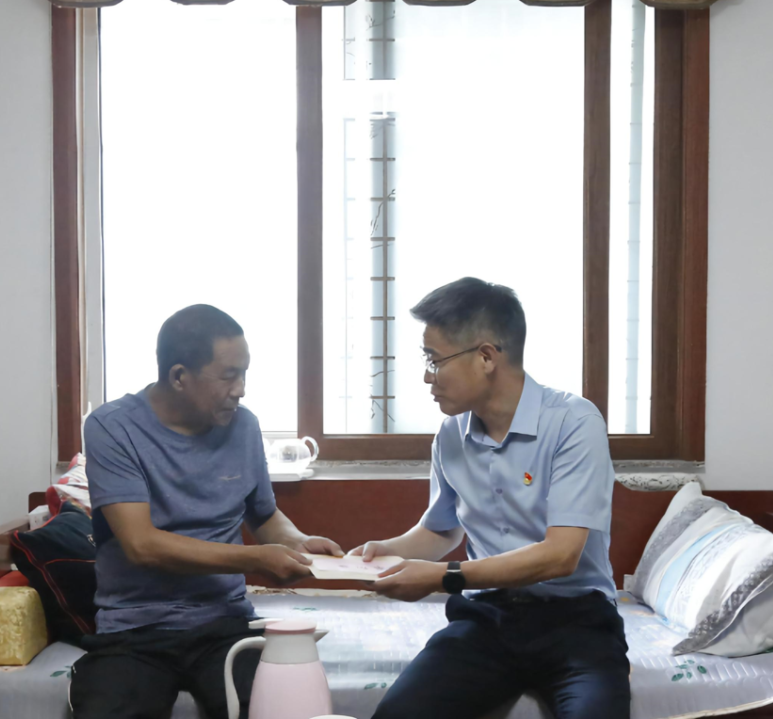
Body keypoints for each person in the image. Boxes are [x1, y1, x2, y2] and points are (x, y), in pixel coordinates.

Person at [352, 278, 630, 719]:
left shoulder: (574, 423)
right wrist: (384, 553)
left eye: (434, 360)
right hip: (487, 619)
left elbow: (561, 556)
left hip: (577, 621)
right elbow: (441, 530)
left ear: (485, 356)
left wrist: (442, 577)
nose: (426, 376)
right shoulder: (450, 435)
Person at [70, 305, 342, 719]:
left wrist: (298, 543)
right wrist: (255, 559)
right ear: (179, 376)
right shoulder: (112, 427)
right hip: (135, 628)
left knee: (279, 705)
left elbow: (264, 516)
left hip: (225, 623)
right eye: (229, 375)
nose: (241, 389)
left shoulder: (244, 426)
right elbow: (141, 545)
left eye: (245, 374)